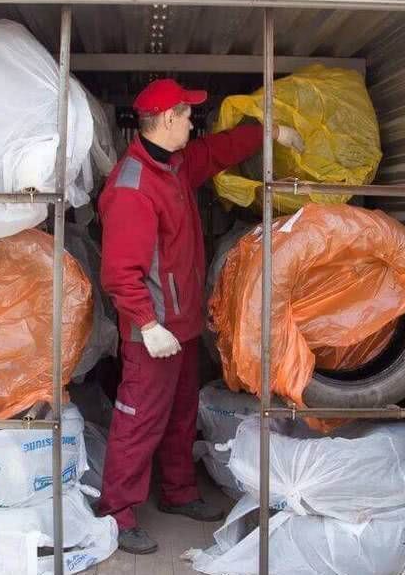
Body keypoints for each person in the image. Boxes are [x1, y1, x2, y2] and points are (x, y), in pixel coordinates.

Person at [96, 77, 304, 555]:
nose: (194, 120)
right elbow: (119, 272)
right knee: (139, 419)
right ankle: (117, 513)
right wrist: (146, 325)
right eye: (187, 114)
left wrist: (267, 134)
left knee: (180, 415)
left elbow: (216, 152)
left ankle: (178, 493)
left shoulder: (174, 165)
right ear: (167, 119)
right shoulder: (132, 187)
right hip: (152, 331)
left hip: (181, 324)